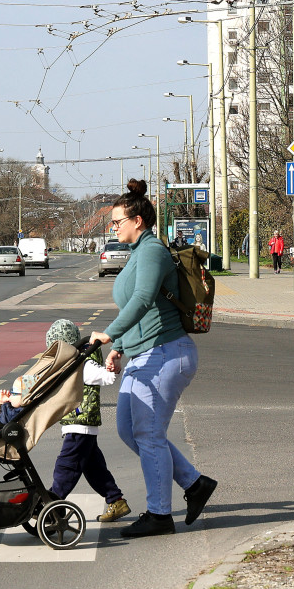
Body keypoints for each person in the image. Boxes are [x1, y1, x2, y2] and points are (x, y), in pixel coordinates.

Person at [90, 179, 217, 538]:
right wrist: (120, 347)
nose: (113, 227)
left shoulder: (152, 252)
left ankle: (160, 514)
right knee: (130, 430)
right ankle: (194, 485)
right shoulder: (138, 252)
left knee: (148, 433)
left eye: (117, 221)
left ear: (137, 221)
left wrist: (110, 332)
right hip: (144, 353)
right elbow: (144, 310)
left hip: (166, 352)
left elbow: (144, 299)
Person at [45, 318, 131, 523]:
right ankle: (116, 500)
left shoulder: (83, 363)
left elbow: (106, 378)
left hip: (80, 424)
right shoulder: (72, 363)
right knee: (94, 468)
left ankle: (53, 504)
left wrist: (111, 368)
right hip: (79, 425)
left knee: (66, 466)